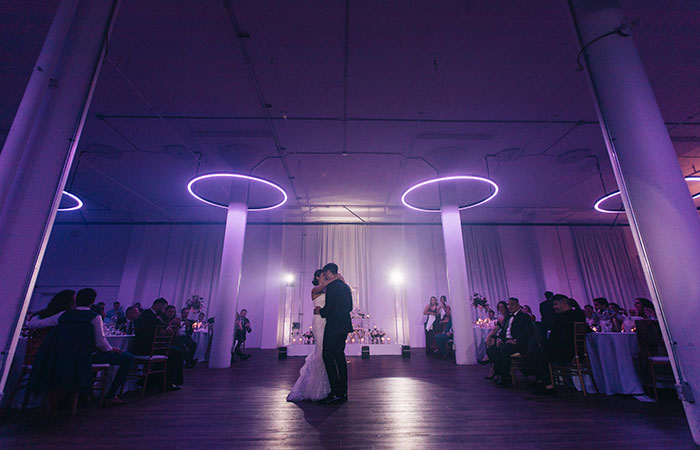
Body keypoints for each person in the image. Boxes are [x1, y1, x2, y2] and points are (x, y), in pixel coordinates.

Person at [287, 269, 341, 402]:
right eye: (323, 276)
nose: (326, 277)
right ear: (317, 277)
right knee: (321, 349)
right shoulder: (315, 290)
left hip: (327, 320)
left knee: (326, 351)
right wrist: (336, 277)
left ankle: (327, 385)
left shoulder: (327, 290)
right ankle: (315, 387)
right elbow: (325, 285)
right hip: (318, 321)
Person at [529, 294, 588, 395]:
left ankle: (548, 385)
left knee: (533, 354)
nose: (553, 307)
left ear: (564, 304)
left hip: (564, 352)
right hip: (577, 351)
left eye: (555, 304)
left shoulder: (561, 319)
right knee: (538, 352)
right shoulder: (579, 315)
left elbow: (555, 339)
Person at [316, 262, 353, 404]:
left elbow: (329, 308)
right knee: (340, 356)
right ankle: (343, 392)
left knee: (327, 356)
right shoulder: (345, 286)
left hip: (333, 326)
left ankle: (335, 391)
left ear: (329, 272)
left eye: (325, 274)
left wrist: (321, 311)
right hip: (344, 325)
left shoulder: (331, 287)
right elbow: (350, 307)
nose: (325, 276)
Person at [133, 298, 184, 390]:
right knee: (176, 353)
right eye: (164, 308)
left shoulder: (150, 315)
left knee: (176, 351)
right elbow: (160, 325)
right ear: (158, 305)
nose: (164, 311)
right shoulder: (149, 315)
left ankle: (156, 381)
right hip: (146, 348)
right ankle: (167, 383)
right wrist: (167, 327)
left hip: (150, 346)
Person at [485, 297, 533, 387]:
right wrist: (499, 338)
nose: (509, 306)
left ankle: (505, 377)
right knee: (491, 350)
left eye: (512, 304)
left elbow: (528, 332)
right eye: (508, 304)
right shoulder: (508, 317)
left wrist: (516, 340)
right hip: (507, 341)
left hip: (517, 343)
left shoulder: (524, 317)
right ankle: (500, 373)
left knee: (504, 350)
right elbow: (504, 331)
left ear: (518, 305)